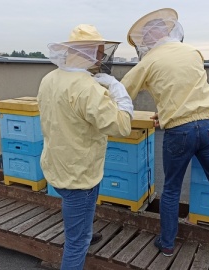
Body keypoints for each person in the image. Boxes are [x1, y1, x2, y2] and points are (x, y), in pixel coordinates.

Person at [95, 8, 209, 266]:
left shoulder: (148, 62)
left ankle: (167, 245)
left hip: (180, 131)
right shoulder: (192, 53)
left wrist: (98, 87)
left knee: (172, 189)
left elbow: (121, 92)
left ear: (149, 39)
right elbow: (186, 88)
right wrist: (163, 111)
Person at [36, 24, 133, 270]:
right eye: (98, 51)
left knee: (77, 211)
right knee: (76, 244)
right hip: (80, 172)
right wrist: (118, 91)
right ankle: (81, 235)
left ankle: (83, 230)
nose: (101, 56)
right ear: (88, 52)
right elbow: (122, 126)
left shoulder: (48, 79)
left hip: (57, 163)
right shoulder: (88, 87)